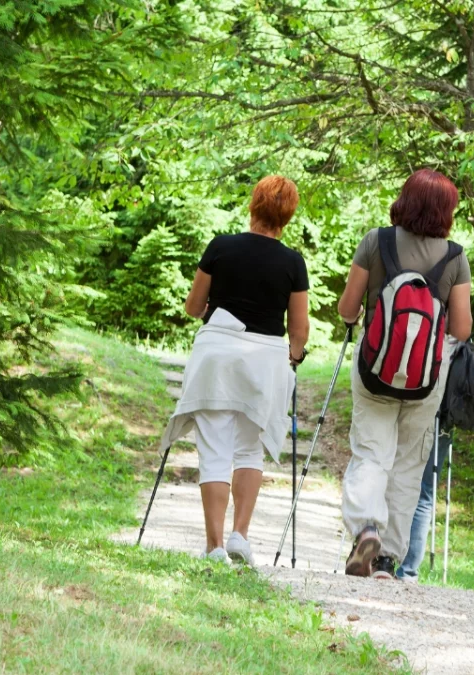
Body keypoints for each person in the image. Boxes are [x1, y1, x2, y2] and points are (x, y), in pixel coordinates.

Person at [160, 175, 310, 566]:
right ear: (288, 215)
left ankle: (215, 548)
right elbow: (298, 330)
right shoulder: (294, 262)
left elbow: (194, 307)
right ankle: (240, 535)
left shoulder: (220, 247)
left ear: (253, 205)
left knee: (214, 451)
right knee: (248, 450)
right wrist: (295, 355)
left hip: (217, 358)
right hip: (264, 362)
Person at [337, 169, 473, 580]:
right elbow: (462, 330)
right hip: (426, 379)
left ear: (405, 199)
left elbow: (347, 308)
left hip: (375, 370)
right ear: (446, 211)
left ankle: (365, 528)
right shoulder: (455, 256)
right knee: (409, 465)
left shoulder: (375, 242)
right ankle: (386, 559)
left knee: (371, 452)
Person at [395, 407, 451, 582]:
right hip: (446, 414)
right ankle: (408, 571)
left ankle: (382, 561)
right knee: (425, 493)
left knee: (393, 481)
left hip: (415, 405)